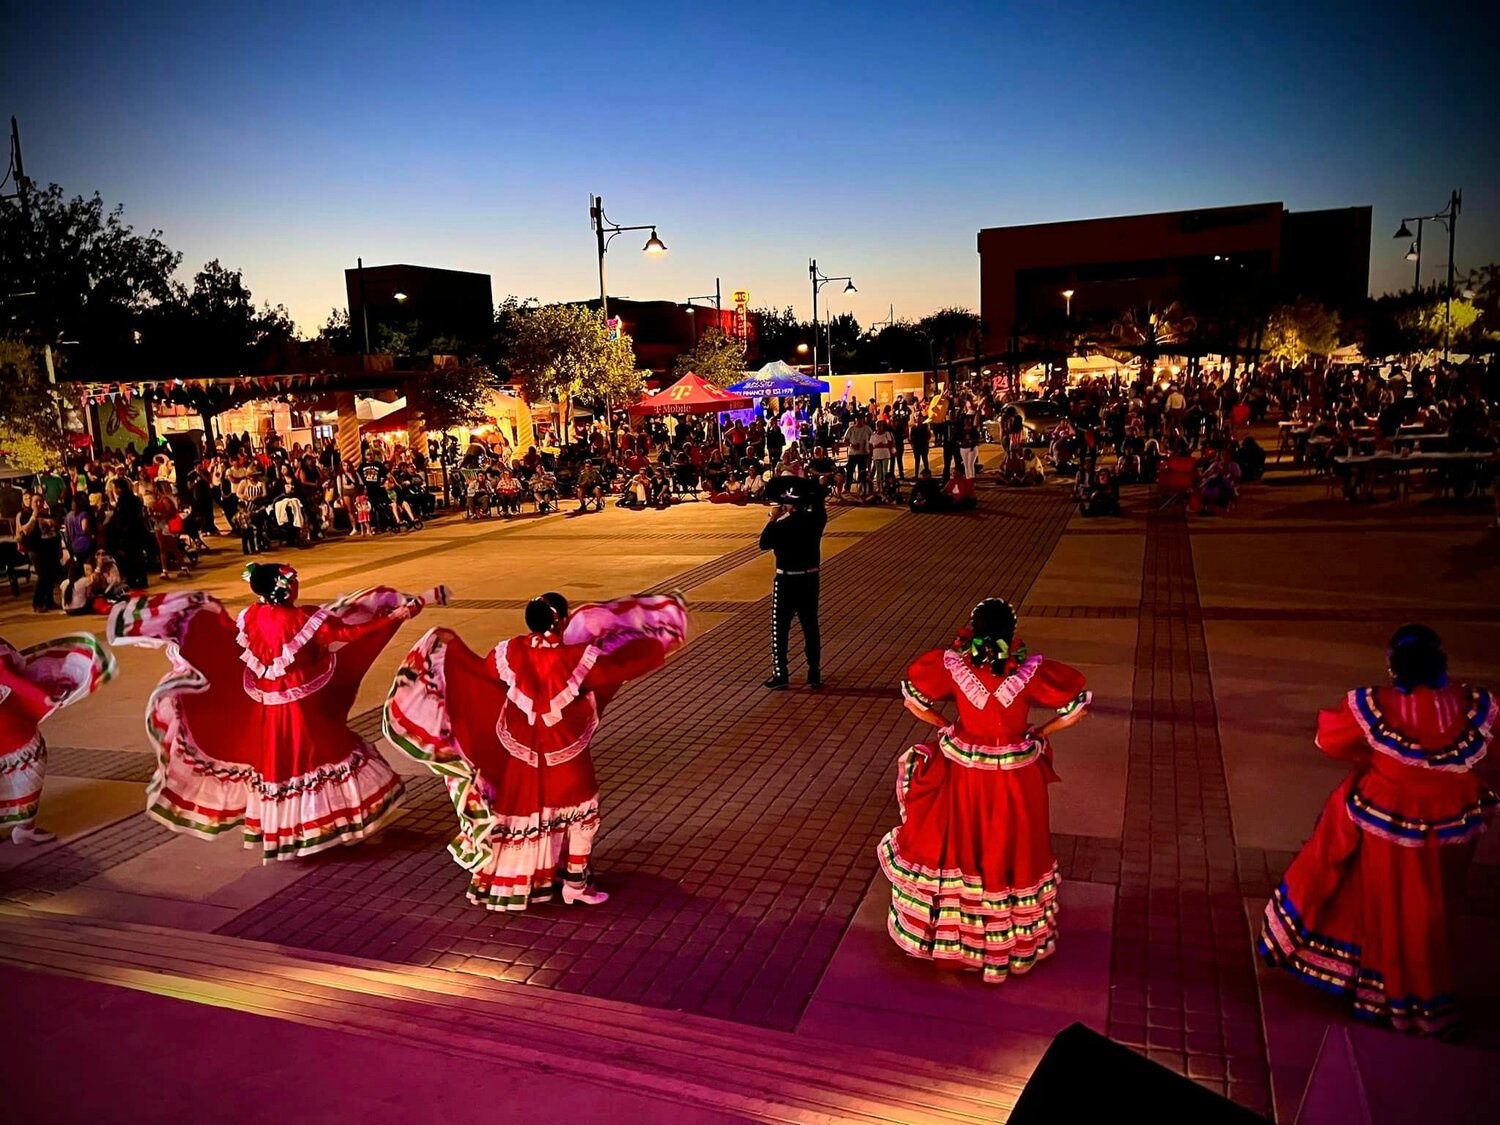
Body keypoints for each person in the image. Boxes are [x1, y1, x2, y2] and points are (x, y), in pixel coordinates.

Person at [108, 564, 444, 862]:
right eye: (293, 580)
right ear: (284, 588)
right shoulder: (303, 620)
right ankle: (328, 827)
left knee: (281, 765)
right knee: (326, 754)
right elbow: (349, 634)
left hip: (269, 707)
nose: (296, 584)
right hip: (303, 708)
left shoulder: (251, 617)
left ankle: (293, 832)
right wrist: (396, 617)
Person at [1259, 626, 1496, 1038]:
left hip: (1386, 825)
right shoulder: (1469, 705)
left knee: (1388, 904)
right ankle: (1423, 995)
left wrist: (1377, 761)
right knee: (1431, 909)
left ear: (1394, 666)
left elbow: (1330, 740)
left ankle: (1389, 994)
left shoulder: (1377, 705)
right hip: (1450, 828)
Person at [385, 591, 688, 910]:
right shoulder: (576, 658)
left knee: (526, 813)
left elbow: (487, 674)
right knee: (581, 814)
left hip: (522, 754)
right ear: (562, 621)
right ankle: (575, 883)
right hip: (564, 754)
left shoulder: (508, 652)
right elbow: (616, 669)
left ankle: (525, 876)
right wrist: (657, 646)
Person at [878, 599, 1091, 983]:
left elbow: (913, 697)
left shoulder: (953, 666)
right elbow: (1077, 705)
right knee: (1012, 847)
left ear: (973, 628)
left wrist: (945, 723)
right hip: (1015, 776)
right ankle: (1007, 945)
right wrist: (1041, 733)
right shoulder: (1032, 670)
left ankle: (959, 941)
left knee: (964, 846)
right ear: (1012, 631)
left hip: (965, 770)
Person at [1, 632, 115, 843]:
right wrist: (43, 696)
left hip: (9, 723)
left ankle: (24, 828)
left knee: (20, 769)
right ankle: (25, 828)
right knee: (30, 764)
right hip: (9, 729)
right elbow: (7, 677)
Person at [759, 476, 827, 690]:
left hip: (786, 580)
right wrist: (809, 490)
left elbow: (763, 543)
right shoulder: (815, 521)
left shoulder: (781, 526)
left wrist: (773, 518)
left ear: (788, 505)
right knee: (810, 627)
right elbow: (819, 504)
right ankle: (814, 672)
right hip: (809, 579)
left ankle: (781, 674)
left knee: (780, 628)